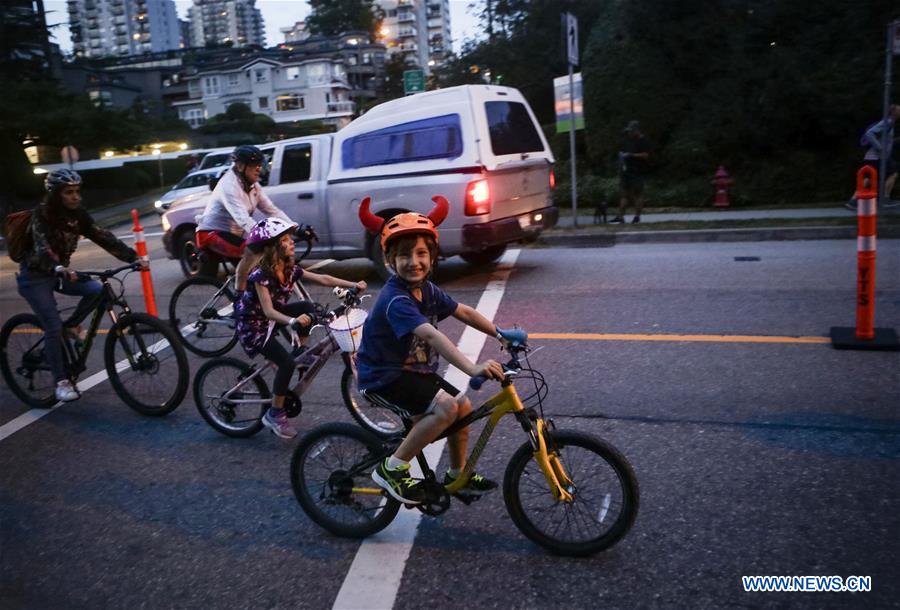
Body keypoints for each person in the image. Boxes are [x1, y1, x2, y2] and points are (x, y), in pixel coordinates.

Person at [356, 195, 506, 504]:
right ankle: (392, 469)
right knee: (447, 409)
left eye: (421, 253)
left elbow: (463, 311)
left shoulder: (426, 288)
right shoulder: (396, 299)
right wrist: (472, 368)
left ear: (433, 256)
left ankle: (457, 476)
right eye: (404, 256)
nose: (414, 262)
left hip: (413, 372)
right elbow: (431, 335)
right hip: (385, 377)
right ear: (389, 261)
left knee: (462, 407)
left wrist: (500, 333)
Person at [16, 169, 143, 403]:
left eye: (77, 191)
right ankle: (61, 382)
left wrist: (132, 258)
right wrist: (57, 267)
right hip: (35, 276)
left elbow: (102, 236)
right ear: (56, 194)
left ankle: (72, 326)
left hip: (61, 273)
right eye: (68, 192)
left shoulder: (79, 215)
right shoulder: (41, 215)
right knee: (53, 326)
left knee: (96, 290)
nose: (75, 197)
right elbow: (43, 247)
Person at [234, 217, 367, 439]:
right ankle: (275, 414)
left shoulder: (289, 268)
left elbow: (323, 278)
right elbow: (268, 311)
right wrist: (293, 322)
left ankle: (300, 351)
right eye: (285, 240)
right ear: (274, 247)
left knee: (308, 307)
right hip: (254, 325)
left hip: (273, 316)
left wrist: (352, 285)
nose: (292, 242)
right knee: (285, 364)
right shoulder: (261, 276)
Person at [195, 145, 292, 292]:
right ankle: (241, 302)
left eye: (260, 164)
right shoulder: (228, 186)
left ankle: (254, 301)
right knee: (253, 254)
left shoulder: (254, 186)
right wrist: (267, 236)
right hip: (211, 233)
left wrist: (293, 227)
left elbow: (272, 210)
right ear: (240, 166)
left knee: (260, 267)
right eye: (254, 165)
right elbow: (243, 219)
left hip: (233, 235)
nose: (258, 168)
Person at [847, 104, 900, 210]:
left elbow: (885, 141)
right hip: (878, 156)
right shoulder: (887, 122)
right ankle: (885, 199)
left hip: (872, 156)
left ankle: (853, 201)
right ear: (893, 112)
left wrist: (895, 140)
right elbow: (869, 134)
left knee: (868, 178)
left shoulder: (890, 123)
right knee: (893, 174)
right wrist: (880, 148)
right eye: (899, 110)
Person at [610, 120, 651, 224]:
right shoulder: (628, 140)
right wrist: (621, 156)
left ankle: (637, 217)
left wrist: (631, 155)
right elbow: (623, 151)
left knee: (638, 194)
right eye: (629, 131)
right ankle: (620, 217)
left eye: (631, 131)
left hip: (638, 171)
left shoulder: (643, 141)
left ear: (636, 131)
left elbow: (646, 155)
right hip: (625, 171)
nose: (629, 133)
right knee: (624, 194)